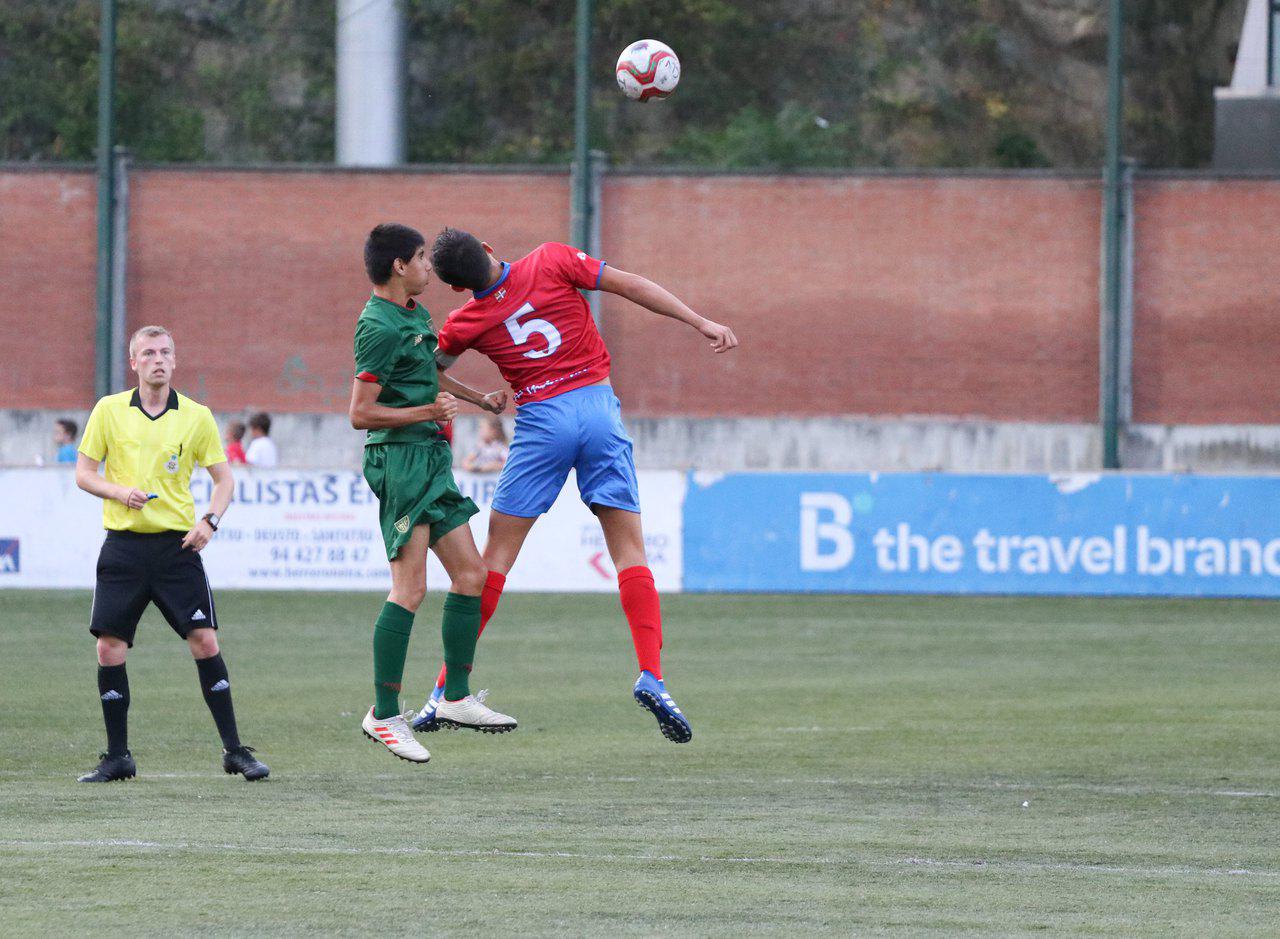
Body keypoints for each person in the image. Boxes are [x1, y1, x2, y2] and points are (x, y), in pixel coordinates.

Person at [415, 229, 738, 743]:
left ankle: (445, 692)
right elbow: (632, 286)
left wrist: (478, 400)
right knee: (630, 551)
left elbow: (426, 372)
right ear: (491, 250)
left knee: (494, 560)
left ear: (456, 288)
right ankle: (652, 675)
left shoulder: (464, 320)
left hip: (543, 423)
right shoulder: (552, 259)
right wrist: (700, 322)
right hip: (597, 410)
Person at [349, 223, 517, 764]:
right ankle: (383, 714)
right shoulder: (376, 325)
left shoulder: (416, 315)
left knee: (472, 576)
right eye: (422, 258)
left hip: (431, 458)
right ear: (399, 265)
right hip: (398, 461)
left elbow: (429, 376)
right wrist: (427, 413)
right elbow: (360, 413)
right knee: (410, 589)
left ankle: (455, 698)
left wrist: (478, 400)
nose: (429, 267)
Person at [74, 325, 269, 783]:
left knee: (204, 641)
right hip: (123, 547)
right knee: (108, 648)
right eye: (148, 353)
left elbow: (225, 481)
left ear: (175, 361)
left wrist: (210, 522)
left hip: (176, 548)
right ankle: (117, 756)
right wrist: (119, 492)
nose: (158, 359)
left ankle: (234, 751)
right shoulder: (109, 410)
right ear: (134, 362)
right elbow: (84, 473)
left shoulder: (196, 416)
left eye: (165, 352)